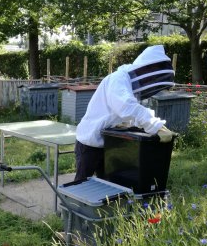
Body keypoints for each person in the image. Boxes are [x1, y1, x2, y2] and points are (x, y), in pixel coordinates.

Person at [74, 44, 175, 182]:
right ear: (146, 68)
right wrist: (155, 125)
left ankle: (103, 204)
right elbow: (127, 107)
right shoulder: (118, 79)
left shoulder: (131, 85)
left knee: (107, 183)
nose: (150, 80)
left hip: (110, 143)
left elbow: (133, 115)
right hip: (90, 141)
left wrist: (152, 125)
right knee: (81, 183)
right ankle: (73, 205)